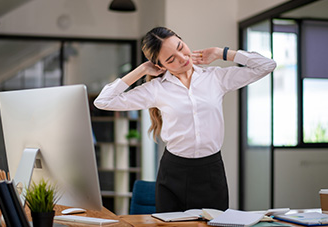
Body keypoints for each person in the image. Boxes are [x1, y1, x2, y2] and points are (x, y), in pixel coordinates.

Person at [94, 26, 276, 212]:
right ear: (160, 65)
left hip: (211, 172)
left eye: (180, 47)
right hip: (173, 174)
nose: (182, 58)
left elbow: (267, 65)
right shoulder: (156, 89)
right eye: (171, 59)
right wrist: (141, 70)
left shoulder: (215, 78)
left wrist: (222, 53)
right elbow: (104, 101)